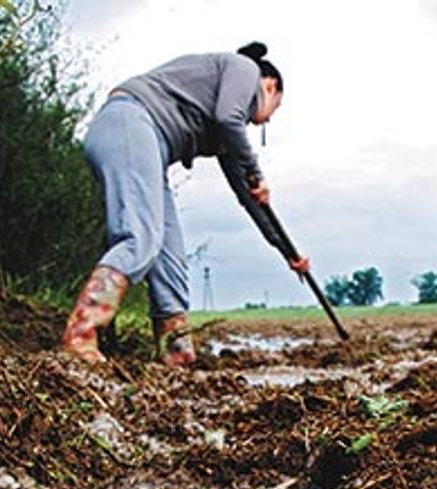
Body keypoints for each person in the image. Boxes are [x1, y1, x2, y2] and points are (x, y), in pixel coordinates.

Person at [63, 41, 309, 365]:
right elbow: (229, 117)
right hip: (129, 121)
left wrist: (290, 253)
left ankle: (176, 355)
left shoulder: (227, 131)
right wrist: (255, 170)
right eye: (274, 109)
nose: (263, 122)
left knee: (171, 258)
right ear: (270, 86)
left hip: (149, 144)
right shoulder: (244, 69)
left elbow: (250, 200)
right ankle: (82, 332)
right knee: (140, 238)